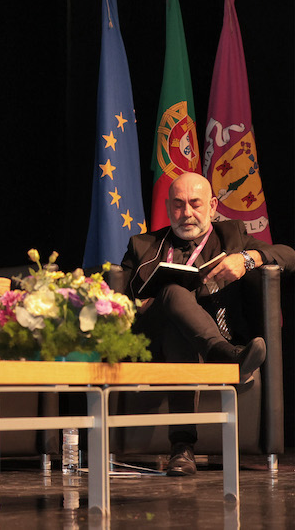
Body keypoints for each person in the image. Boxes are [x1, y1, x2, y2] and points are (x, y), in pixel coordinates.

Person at [120, 171, 295, 476]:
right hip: (150, 342)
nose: (186, 213)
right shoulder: (142, 245)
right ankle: (226, 355)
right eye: (177, 205)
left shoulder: (233, 237)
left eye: (195, 204)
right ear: (167, 207)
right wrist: (139, 304)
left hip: (190, 340)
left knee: (181, 336)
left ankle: (182, 449)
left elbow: (289, 255)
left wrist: (248, 259)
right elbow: (119, 301)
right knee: (172, 292)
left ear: (212, 205)